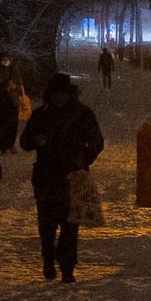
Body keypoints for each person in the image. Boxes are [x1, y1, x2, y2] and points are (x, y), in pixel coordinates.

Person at [21, 71, 106, 282]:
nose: (58, 97)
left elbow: (96, 141)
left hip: (71, 176)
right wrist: (35, 139)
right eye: (54, 93)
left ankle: (67, 266)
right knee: (47, 224)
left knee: (69, 224)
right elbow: (24, 142)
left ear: (69, 93)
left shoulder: (82, 114)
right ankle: (49, 260)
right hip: (46, 176)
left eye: (62, 93)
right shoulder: (41, 115)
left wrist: (83, 160)